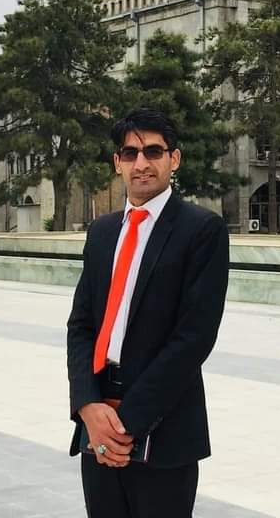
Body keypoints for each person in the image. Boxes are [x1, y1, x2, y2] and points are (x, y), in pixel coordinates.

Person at [66, 108, 229, 518]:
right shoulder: (102, 232)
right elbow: (81, 326)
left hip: (164, 425)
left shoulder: (201, 230)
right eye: (130, 153)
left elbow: (194, 338)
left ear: (174, 159)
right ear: (117, 162)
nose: (141, 163)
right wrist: (87, 405)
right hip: (98, 419)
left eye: (153, 152)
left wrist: (126, 423)